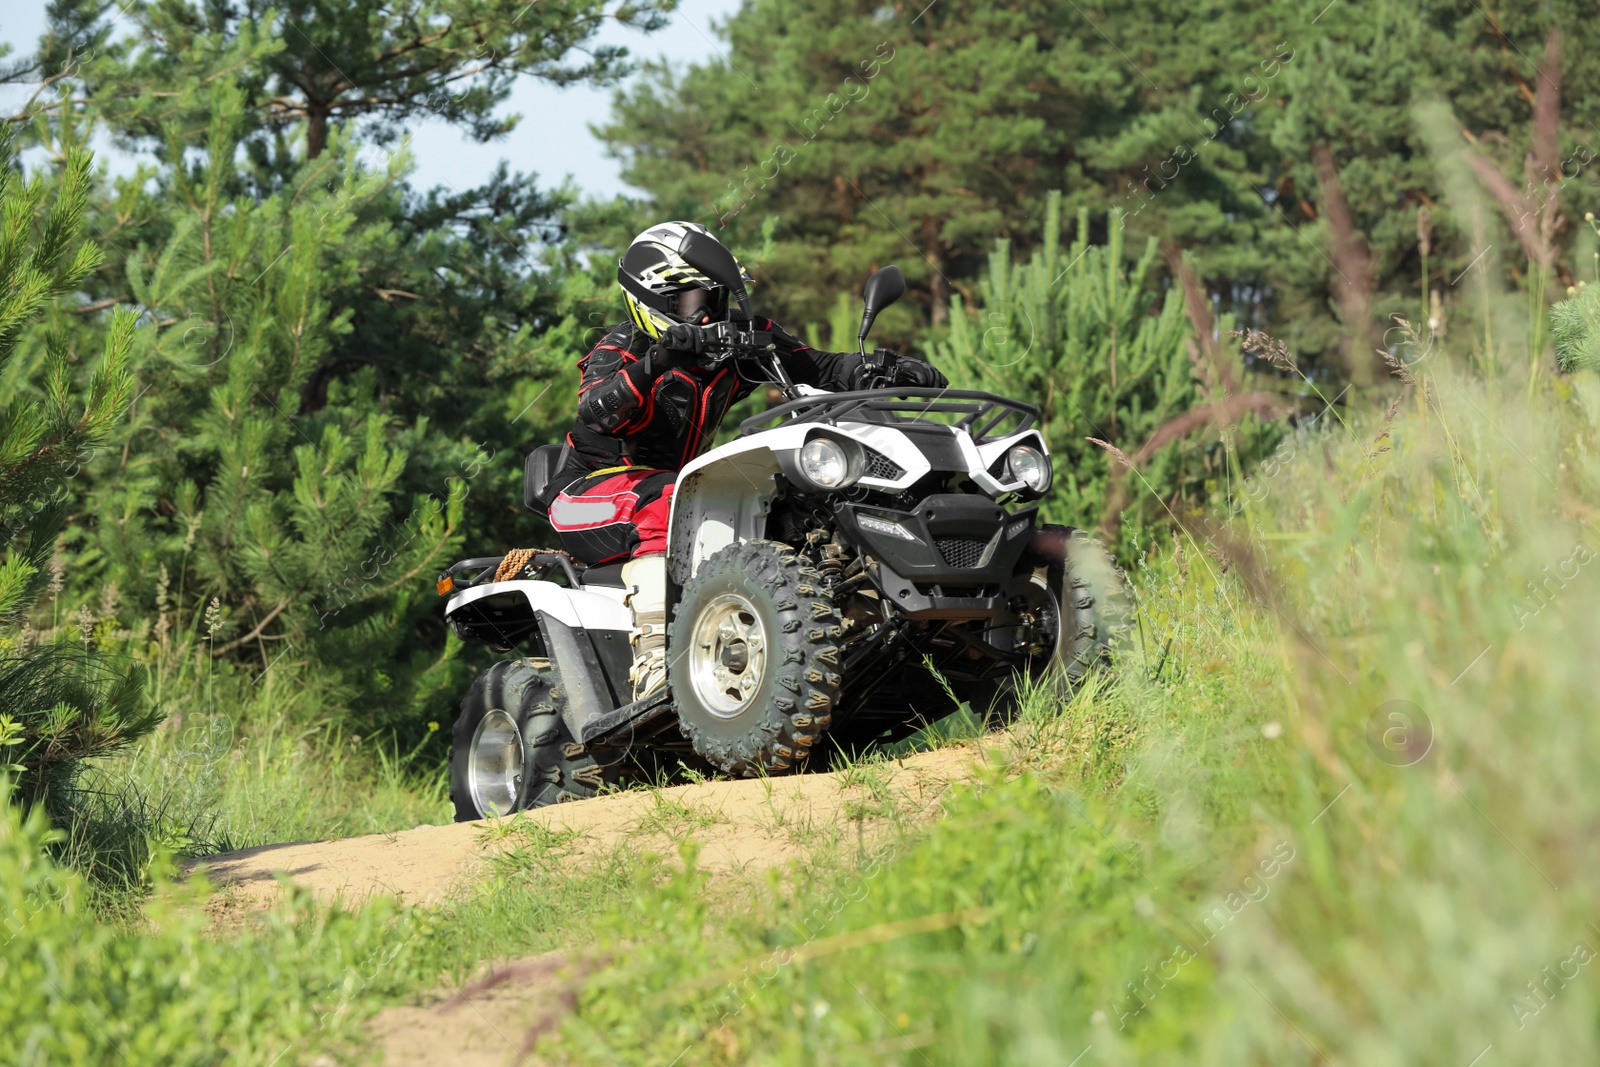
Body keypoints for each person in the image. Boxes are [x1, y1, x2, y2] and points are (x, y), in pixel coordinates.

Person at [544, 221, 946, 702]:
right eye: (691, 301)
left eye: (713, 299)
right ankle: (653, 661)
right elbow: (596, 409)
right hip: (586, 493)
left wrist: (879, 367)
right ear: (651, 301)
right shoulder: (620, 347)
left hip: (679, 488)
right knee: (667, 499)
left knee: (791, 501)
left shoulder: (737, 339)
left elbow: (819, 368)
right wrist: (660, 358)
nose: (708, 313)